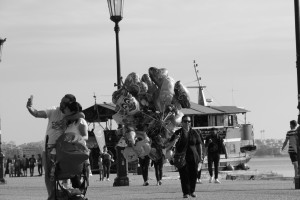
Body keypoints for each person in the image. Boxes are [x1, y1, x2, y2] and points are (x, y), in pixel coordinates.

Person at [26, 94, 84, 200]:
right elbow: (37, 113)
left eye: (65, 103)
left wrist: (68, 118)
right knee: (48, 174)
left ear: (70, 105)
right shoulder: (53, 110)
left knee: (69, 171)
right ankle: (51, 196)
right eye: (61, 101)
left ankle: (70, 192)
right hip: (48, 148)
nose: (61, 104)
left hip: (65, 150)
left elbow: (81, 120)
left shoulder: (74, 114)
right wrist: (30, 107)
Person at [170, 115, 202, 198]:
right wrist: (175, 139)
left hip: (194, 157)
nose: (187, 123)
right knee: (184, 175)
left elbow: (199, 145)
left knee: (194, 174)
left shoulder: (195, 132)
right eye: (185, 121)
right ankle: (186, 192)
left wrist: (201, 157)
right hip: (182, 157)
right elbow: (170, 145)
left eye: (189, 121)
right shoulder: (178, 133)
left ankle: (192, 191)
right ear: (182, 122)